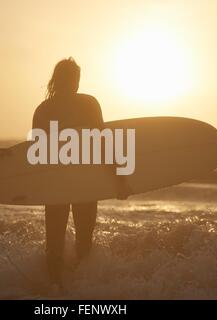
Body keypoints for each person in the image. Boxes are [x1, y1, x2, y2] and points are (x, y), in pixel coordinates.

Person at [32, 57, 130, 286]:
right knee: (84, 242)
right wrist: (120, 178)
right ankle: (80, 290)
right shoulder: (87, 104)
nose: (75, 83)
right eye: (74, 78)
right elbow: (102, 142)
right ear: (70, 80)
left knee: (54, 245)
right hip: (84, 183)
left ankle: (55, 290)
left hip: (56, 185)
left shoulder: (44, 109)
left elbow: (37, 154)